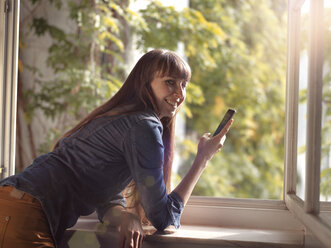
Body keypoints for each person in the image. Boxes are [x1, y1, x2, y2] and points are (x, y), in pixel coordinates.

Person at [0, 49, 233, 248]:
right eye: (170, 82)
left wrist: (124, 215)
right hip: (23, 213)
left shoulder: (120, 117)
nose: (180, 94)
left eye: (184, 85)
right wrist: (202, 158)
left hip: (11, 202)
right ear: (145, 84)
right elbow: (163, 217)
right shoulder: (144, 125)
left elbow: (102, 189)